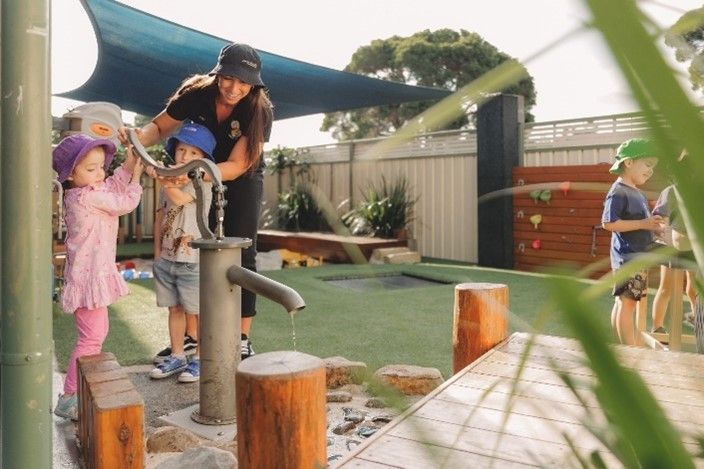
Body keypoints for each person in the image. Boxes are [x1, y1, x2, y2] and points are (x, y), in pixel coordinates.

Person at [120, 43, 272, 360]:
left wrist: (190, 174)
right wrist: (137, 136)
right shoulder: (196, 92)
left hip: (240, 176)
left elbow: (239, 164)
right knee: (193, 249)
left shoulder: (258, 109)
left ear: (254, 83)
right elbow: (159, 126)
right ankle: (191, 336)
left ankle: (242, 337)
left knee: (243, 251)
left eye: (244, 82)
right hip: (195, 169)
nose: (234, 88)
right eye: (228, 78)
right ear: (217, 73)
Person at [52, 134, 144, 420]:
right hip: (88, 277)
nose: (99, 173)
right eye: (91, 169)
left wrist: (131, 159)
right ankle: (69, 397)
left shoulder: (87, 189)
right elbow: (123, 201)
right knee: (91, 338)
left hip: (89, 274)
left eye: (100, 166)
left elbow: (114, 184)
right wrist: (137, 174)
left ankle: (75, 391)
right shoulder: (87, 196)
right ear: (70, 175)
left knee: (94, 335)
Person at [148, 123, 216, 382]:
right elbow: (161, 217)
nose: (185, 157)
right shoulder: (171, 180)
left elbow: (178, 199)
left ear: (204, 161)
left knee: (196, 311)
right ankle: (177, 356)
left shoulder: (202, 185)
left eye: (194, 153)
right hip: (167, 258)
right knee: (174, 309)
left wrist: (161, 177)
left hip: (192, 260)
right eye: (182, 150)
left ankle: (199, 359)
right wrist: (157, 254)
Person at [602, 138, 663, 346]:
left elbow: (641, 224)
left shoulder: (636, 192)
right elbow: (609, 223)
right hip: (628, 258)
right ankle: (630, 350)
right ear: (628, 163)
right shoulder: (618, 191)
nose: (651, 170)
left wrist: (653, 227)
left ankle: (622, 346)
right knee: (627, 305)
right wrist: (643, 223)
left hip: (636, 257)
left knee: (623, 304)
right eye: (647, 164)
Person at [650, 183, 696, 336]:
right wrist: (667, 231)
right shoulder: (671, 190)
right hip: (672, 242)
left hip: (693, 243)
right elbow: (659, 216)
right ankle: (657, 328)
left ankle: (697, 318)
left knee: (694, 288)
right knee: (666, 287)